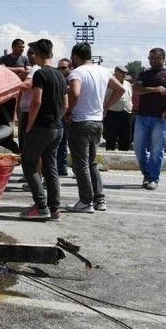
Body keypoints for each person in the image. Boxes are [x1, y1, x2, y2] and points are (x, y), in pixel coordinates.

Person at [65, 44, 125, 213]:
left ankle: (85, 201)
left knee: (81, 165)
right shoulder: (104, 71)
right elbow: (119, 89)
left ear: (76, 56)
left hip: (80, 122)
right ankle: (99, 199)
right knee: (91, 163)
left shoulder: (76, 73)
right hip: (97, 122)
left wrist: (69, 110)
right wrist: (106, 107)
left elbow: (75, 93)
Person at [19, 39, 67, 221]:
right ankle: (55, 209)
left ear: (38, 54)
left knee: (29, 164)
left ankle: (41, 206)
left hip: (41, 127)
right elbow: (65, 104)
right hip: (57, 127)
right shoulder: (61, 75)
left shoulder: (40, 74)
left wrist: (29, 126)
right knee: (51, 168)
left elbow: (36, 101)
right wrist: (57, 119)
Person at [132, 48, 166, 190]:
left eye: (155, 58)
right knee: (138, 148)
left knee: (157, 150)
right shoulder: (145, 73)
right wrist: (154, 89)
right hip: (142, 117)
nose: (151, 60)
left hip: (160, 119)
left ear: (163, 58)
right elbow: (136, 89)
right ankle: (147, 174)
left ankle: (153, 179)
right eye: (150, 57)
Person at [103, 66, 133, 151]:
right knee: (111, 138)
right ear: (116, 73)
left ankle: (124, 159)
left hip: (126, 113)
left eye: (125, 73)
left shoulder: (127, 84)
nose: (124, 75)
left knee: (126, 139)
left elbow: (130, 97)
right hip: (112, 113)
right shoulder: (109, 83)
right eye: (121, 73)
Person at [56, 58, 72, 176]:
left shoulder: (72, 79)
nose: (61, 70)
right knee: (61, 143)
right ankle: (61, 168)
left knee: (73, 144)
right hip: (61, 114)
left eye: (63, 68)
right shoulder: (59, 79)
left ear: (69, 68)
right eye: (59, 68)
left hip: (71, 114)